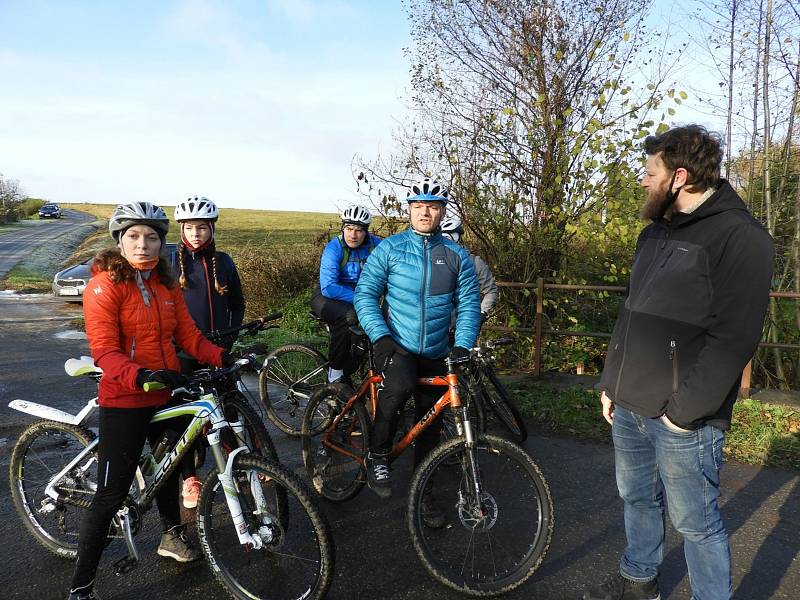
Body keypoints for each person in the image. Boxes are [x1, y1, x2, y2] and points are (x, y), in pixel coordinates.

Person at [581, 125, 774, 600]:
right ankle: (638, 581)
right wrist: (612, 382)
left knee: (696, 523)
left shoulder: (740, 237)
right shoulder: (655, 232)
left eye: (651, 172)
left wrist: (684, 414)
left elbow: (735, 336)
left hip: (682, 417)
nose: (643, 181)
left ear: (680, 176)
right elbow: (632, 311)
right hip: (629, 404)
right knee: (637, 499)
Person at [69, 202, 233, 600]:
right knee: (111, 494)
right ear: (120, 241)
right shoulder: (104, 284)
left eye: (152, 237)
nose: (143, 245)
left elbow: (189, 336)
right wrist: (139, 376)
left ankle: (171, 536)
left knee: (170, 465)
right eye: (133, 237)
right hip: (125, 395)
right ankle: (81, 587)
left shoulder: (165, 285)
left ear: (162, 242)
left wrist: (224, 357)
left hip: (165, 392)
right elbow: (105, 350)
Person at [354, 177, 481, 523]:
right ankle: (377, 455)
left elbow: (469, 301)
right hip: (397, 344)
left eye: (433, 207)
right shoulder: (391, 249)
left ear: (441, 212)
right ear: (409, 210)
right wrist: (380, 337)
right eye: (419, 206)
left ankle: (425, 494)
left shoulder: (455, 255)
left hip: (437, 348)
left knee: (432, 424)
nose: (425, 212)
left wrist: (463, 344)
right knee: (399, 387)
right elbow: (365, 294)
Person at [170, 195, 245, 509]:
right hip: (183, 352)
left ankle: (239, 462)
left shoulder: (224, 261)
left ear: (212, 229)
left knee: (229, 409)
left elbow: (237, 304)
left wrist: (228, 340)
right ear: (182, 229)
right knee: (185, 417)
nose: (196, 233)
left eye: (202, 227)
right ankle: (189, 478)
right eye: (190, 227)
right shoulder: (171, 262)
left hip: (217, 348)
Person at [310, 204, 381, 385]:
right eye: (349, 229)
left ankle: (351, 371)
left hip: (360, 296)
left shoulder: (376, 246)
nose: (353, 235)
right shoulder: (334, 248)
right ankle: (335, 373)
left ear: (366, 232)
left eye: (358, 230)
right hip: (327, 296)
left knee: (364, 337)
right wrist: (364, 299)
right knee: (349, 315)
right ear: (343, 228)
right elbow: (330, 287)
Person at [440, 214, 498, 324]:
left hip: (465, 323)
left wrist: (482, 312)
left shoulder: (475, 262)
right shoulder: (435, 262)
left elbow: (491, 290)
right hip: (438, 326)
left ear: (457, 238)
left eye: (448, 238)